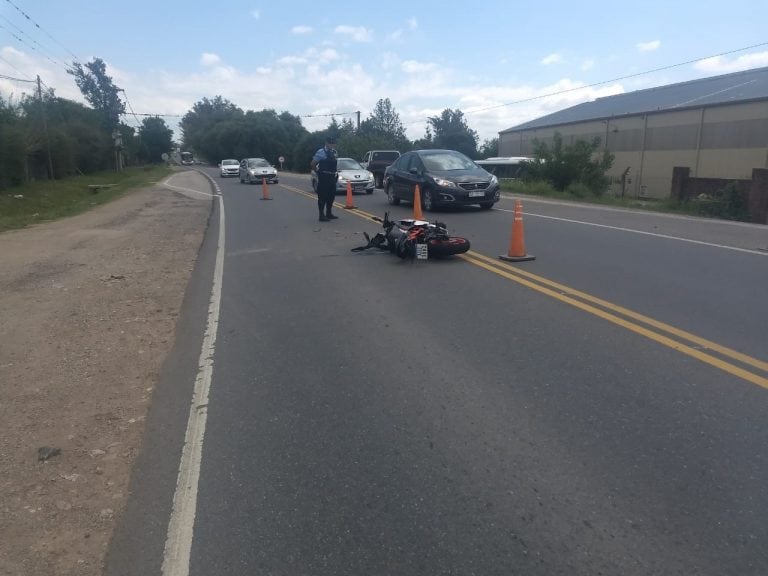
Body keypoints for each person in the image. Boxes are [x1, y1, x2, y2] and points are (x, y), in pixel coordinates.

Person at [310, 136, 339, 222]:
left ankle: (329, 213)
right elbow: (313, 164)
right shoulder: (321, 152)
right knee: (322, 196)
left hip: (332, 176)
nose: (331, 145)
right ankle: (321, 215)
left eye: (333, 143)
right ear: (326, 143)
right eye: (330, 143)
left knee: (331, 196)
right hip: (324, 177)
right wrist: (318, 172)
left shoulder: (334, 152)